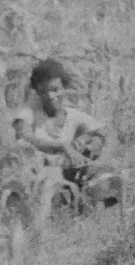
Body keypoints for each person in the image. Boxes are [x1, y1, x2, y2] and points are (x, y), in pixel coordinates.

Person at [12, 59, 120, 210]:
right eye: (44, 91)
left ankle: (99, 218)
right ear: (36, 91)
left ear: (64, 89)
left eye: (55, 90)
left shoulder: (73, 116)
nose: (50, 96)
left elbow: (107, 135)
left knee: (104, 175)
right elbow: (25, 137)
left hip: (67, 177)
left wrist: (98, 156)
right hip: (38, 179)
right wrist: (62, 146)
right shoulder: (28, 113)